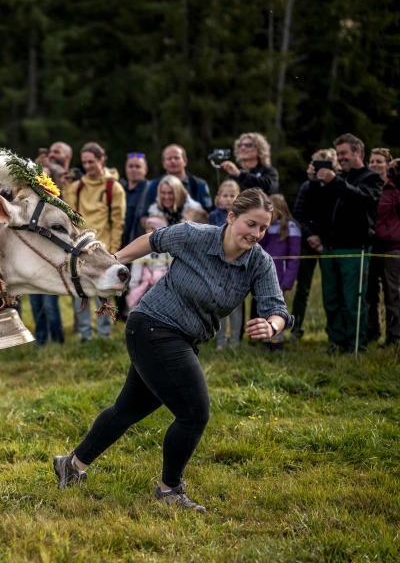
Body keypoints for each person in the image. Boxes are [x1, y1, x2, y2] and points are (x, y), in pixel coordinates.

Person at [53, 189, 294, 512]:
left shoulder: (258, 263)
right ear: (232, 217)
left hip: (183, 339)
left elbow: (277, 308)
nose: (256, 234)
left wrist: (272, 326)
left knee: (128, 409)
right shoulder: (194, 235)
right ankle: (169, 491)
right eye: (251, 224)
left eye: (263, 228)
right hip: (153, 326)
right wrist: (115, 263)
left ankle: (71, 465)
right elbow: (153, 240)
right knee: (194, 414)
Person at [305, 134, 383, 353]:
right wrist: (314, 182)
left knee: (352, 299)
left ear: (357, 152)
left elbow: (362, 199)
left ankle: (356, 344)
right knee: (331, 297)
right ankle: (337, 341)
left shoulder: (371, 177)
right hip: (329, 246)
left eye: (344, 153)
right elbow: (317, 205)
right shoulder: (336, 177)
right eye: (338, 154)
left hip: (354, 247)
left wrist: (335, 181)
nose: (340, 158)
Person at [63, 142, 126, 341]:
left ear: (102, 159)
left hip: (104, 249)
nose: (88, 166)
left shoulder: (113, 187)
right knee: (80, 292)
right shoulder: (77, 187)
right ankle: (85, 335)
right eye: (84, 162)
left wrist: (114, 250)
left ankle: (105, 336)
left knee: (105, 293)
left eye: (91, 161)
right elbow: (70, 215)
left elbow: (118, 220)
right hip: (81, 250)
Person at [290, 148, 339, 342]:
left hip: (330, 243)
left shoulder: (337, 187)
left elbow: (335, 215)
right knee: (302, 288)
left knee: (332, 288)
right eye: (317, 163)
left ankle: (333, 331)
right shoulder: (306, 187)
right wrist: (311, 236)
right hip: (307, 242)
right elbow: (299, 215)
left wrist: (323, 240)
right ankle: (296, 328)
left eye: (325, 164)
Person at [133, 144, 213, 238]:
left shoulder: (199, 185)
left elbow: (209, 215)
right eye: (169, 158)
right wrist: (154, 224)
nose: (173, 161)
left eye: (176, 157)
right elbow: (143, 216)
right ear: (163, 163)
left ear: (185, 161)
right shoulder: (152, 186)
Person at [258, 194, 300, 351]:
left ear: (280, 210)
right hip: (263, 277)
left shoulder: (291, 228)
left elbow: (294, 258)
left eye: (270, 211)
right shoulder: (265, 227)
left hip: (280, 278)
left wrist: (288, 280)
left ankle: (278, 341)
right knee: (263, 308)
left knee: (277, 310)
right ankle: (265, 339)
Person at [367, 149, 399, 347]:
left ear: (387, 165)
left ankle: (394, 338)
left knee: (392, 293)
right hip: (370, 246)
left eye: (379, 161)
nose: (375, 164)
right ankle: (372, 332)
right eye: (371, 161)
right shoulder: (366, 186)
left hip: (392, 247)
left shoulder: (395, 189)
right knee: (370, 293)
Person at [211, 180, 242, 351]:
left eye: (232, 196)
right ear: (218, 198)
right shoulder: (214, 215)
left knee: (236, 306)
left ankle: (235, 341)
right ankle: (220, 341)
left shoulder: (243, 216)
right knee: (219, 305)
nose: (229, 199)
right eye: (225, 196)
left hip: (237, 265)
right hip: (218, 264)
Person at [124, 215, 170, 311]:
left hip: (162, 283)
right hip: (145, 283)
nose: (148, 231)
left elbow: (171, 265)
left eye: (152, 228)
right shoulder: (142, 247)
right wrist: (133, 286)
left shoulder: (167, 248)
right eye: (147, 228)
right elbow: (136, 268)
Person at [120, 152, 150, 248]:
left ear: (145, 170)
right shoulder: (119, 190)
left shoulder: (151, 190)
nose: (133, 170)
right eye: (131, 166)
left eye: (137, 167)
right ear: (126, 169)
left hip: (140, 247)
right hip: (118, 246)